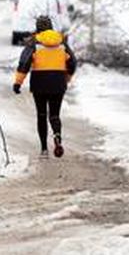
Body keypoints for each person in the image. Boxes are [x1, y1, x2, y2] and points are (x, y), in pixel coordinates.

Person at [12, 15, 77, 158]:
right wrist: (67, 77)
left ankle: (44, 150)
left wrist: (18, 82)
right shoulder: (62, 42)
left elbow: (24, 64)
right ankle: (57, 136)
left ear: (38, 28)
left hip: (40, 83)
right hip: (58, 82)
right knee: (54, 115)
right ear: (51, 27)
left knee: (41, 115)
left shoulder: (34, 43)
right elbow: (72, 63)